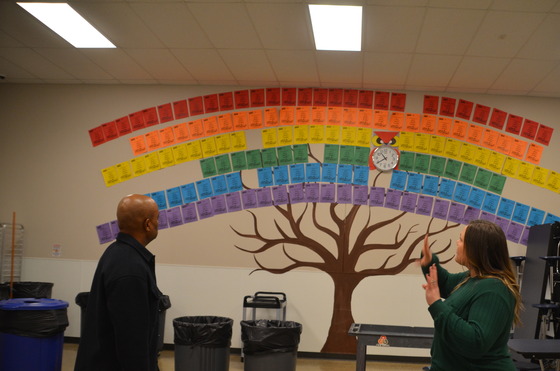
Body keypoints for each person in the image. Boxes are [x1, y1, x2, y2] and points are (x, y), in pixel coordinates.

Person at [75, 194, 163, 371]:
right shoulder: (130, 268)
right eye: (157, 218)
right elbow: (131, 343)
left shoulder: (118, 253)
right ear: (147, 224)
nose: (159, 223)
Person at [419, 219, 522, 371]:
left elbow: (475, 342)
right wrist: (429, 262)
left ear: (475, 249)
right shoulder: (473, 278)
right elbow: (446, 282)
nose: (456, 242)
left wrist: (436, 305)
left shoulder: (494, 289)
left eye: (460, 239)